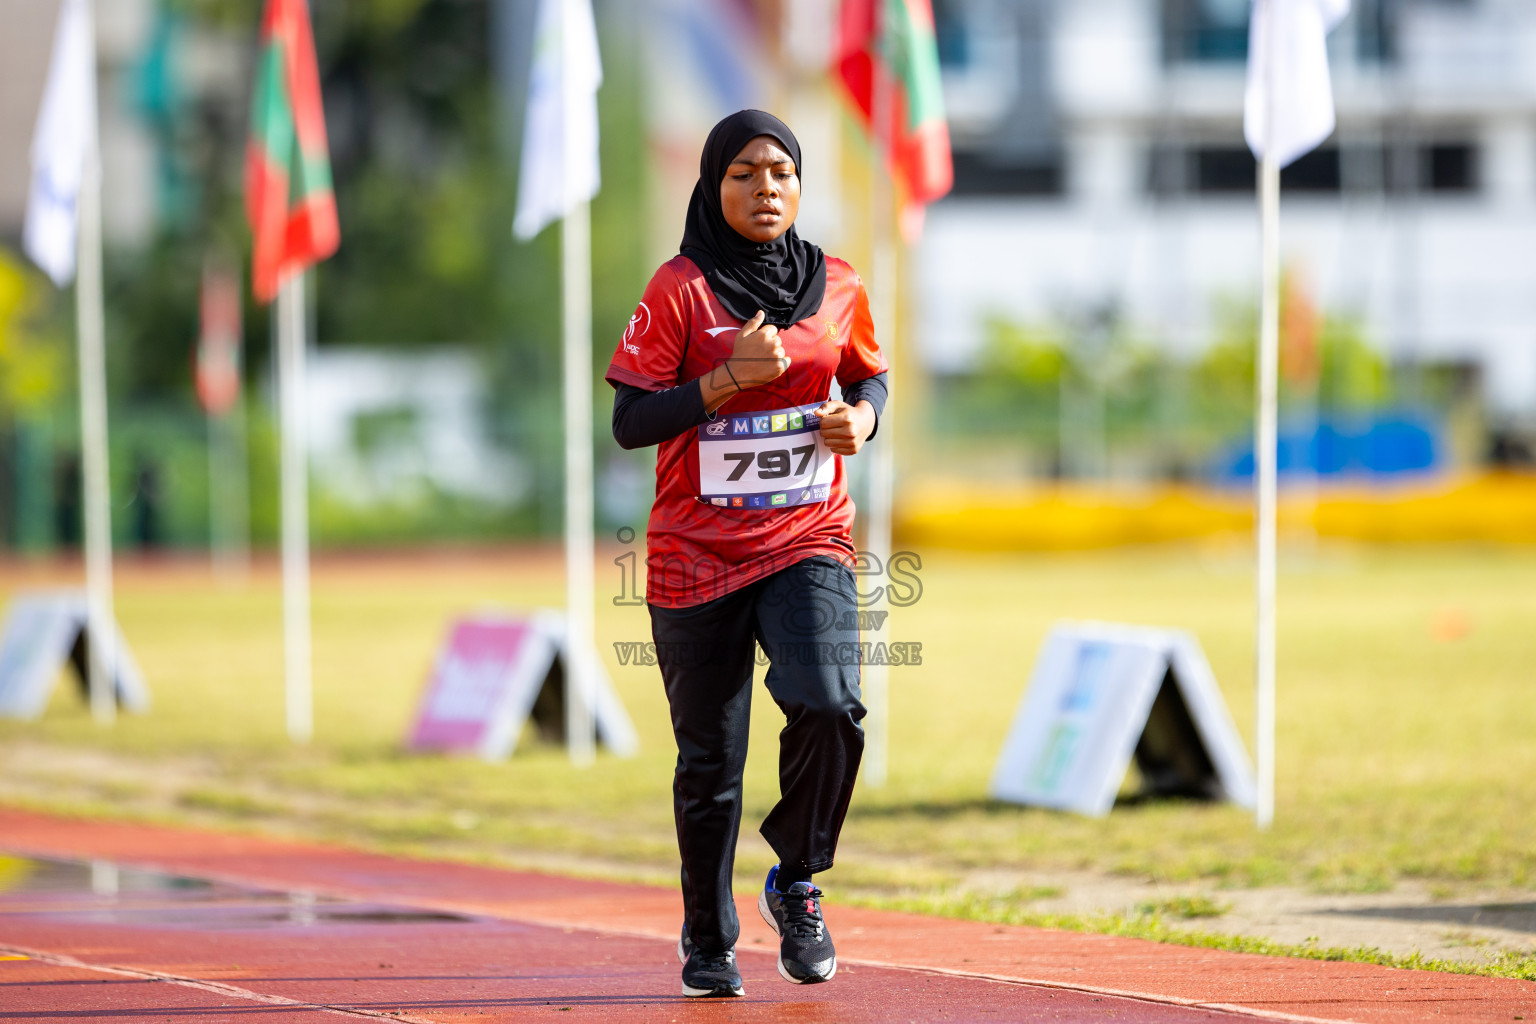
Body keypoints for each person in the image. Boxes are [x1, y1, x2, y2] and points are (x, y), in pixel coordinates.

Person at [606, 109, 889, 999]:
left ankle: (795, 880)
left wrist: (863, 418)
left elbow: (867, 374)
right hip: (695, 555)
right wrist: (728, 379)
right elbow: (629, 420)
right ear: (711, 185)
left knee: (831, 702)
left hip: (808, 537)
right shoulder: (680, 289)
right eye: (743, 174)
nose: (765, 189)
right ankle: (708, 939)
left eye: (780, 173)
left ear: (801, 186)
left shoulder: (838, 283)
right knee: (710, 762)